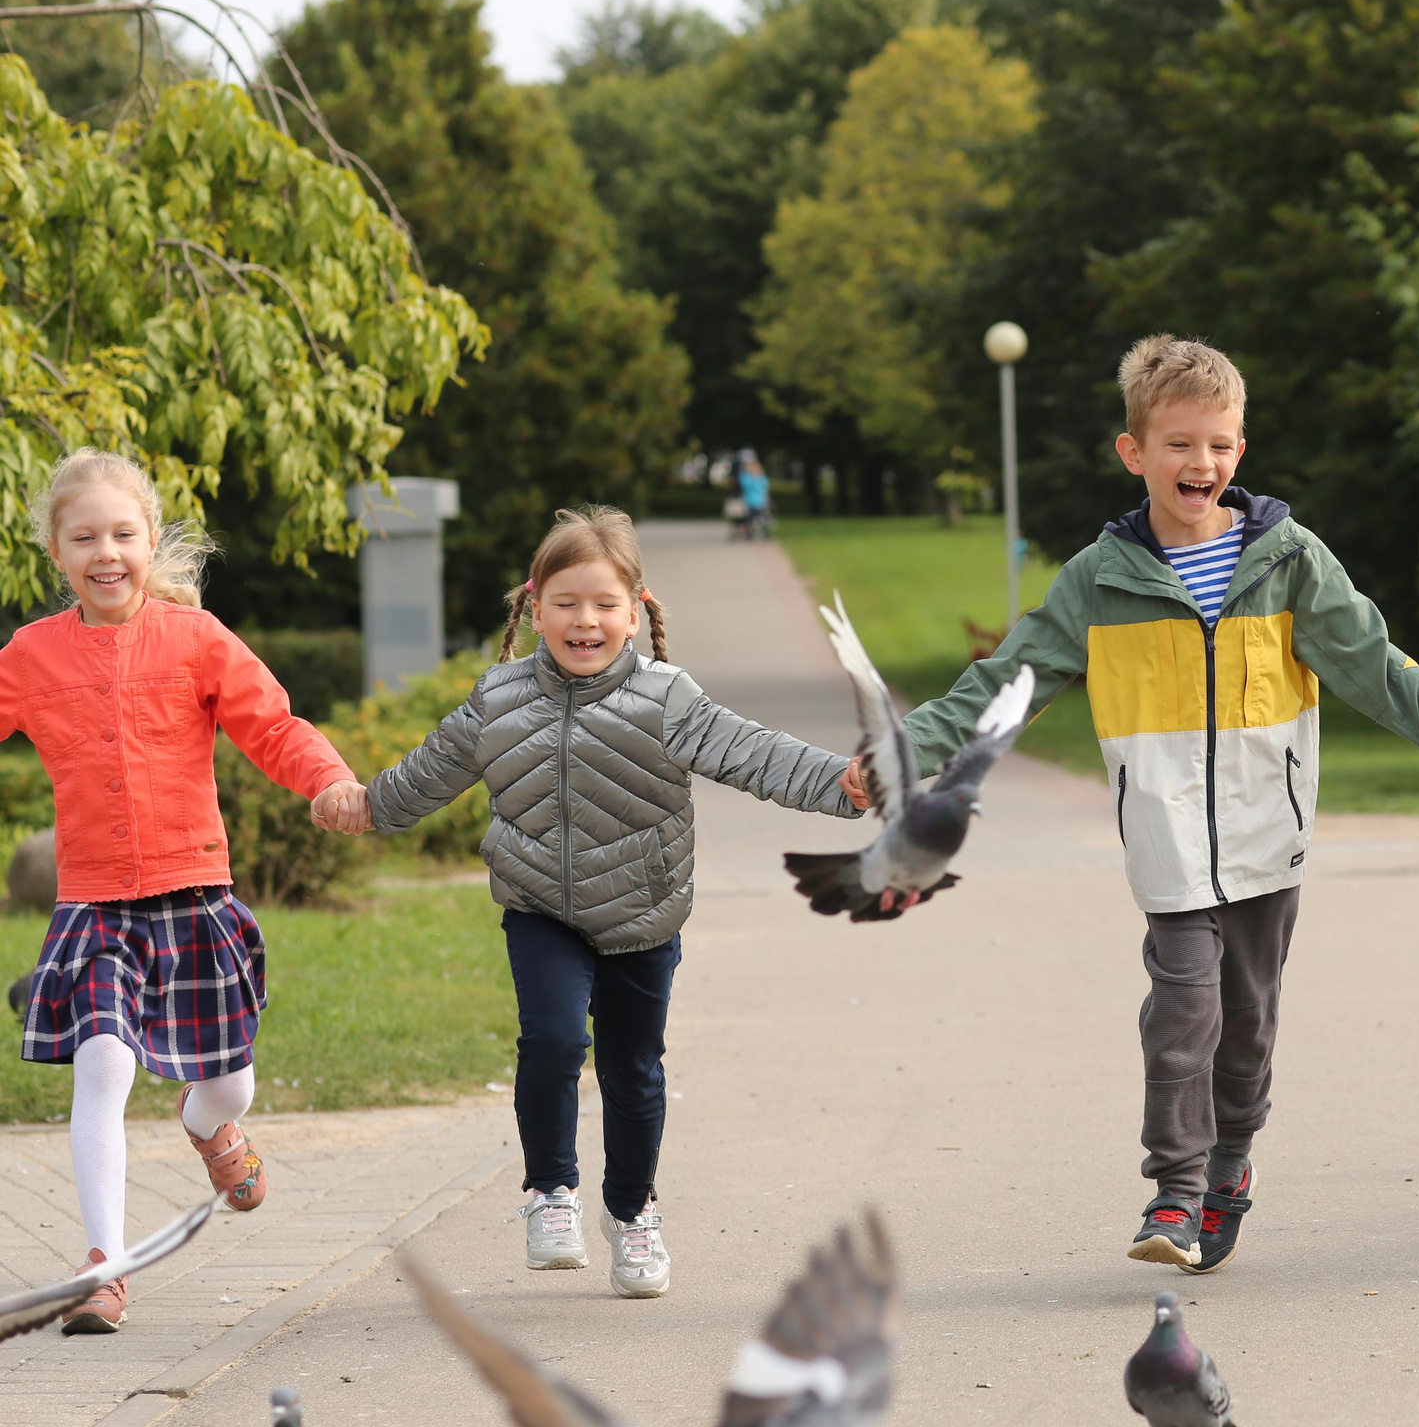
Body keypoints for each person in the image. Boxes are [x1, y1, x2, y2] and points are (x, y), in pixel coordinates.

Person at [881, 335, 1419, 1274]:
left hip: (1269, 834)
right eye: (1179, 444)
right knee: (1182, 1012)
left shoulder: (1288, 559)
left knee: (1247, 1025)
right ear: (1134, 452)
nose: (1202, 462)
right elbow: (1006, 681)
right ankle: (1175, 1191)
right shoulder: (1099, 578)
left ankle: (1230, 1162)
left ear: (1240, 451)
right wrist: (907, 752)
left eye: (1220, 445)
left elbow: (1374, 665)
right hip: (1168, 839)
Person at [332, 507, 865, 1296]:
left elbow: (753, 752)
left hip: (642, 913)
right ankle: (552, 1191)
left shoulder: (667, 698)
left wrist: (842, 784)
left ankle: (632, 1210)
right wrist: (368, 805)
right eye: (567, 602)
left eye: (605, 604)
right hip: (539, 905)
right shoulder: (500, 697)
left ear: (636, 611)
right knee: (552, 1041)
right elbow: (433, 768)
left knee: (632, 1069)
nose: (586, 619)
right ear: (534, 606)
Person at [0, 448, 368, 1333]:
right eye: (84, 537)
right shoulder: (31, 654)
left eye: (123, 534)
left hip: (191, 893)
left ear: (150, 538)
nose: (106, 552)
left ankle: (211, 1129)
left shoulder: (196, 638)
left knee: (228, 1083)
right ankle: (105, 1266)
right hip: (94, 905)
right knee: (103, 1063)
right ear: (56, 552)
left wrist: (329, 780)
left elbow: (272, 725)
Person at [735, 450, 773, 542]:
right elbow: (746, 486)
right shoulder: (746, 477)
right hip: (751, 501)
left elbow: (765, 486)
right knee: (750, 519)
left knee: (764, 518)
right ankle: (750, 534)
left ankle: (765, 534)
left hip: (760, 501)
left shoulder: (760, 477)